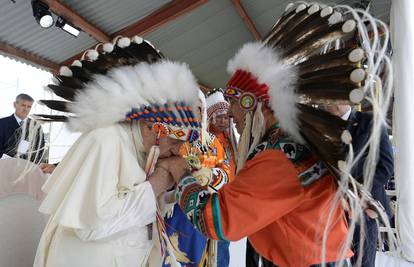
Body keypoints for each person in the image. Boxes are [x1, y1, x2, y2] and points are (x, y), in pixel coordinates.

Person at [157, 2, 392, 266]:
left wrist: (181, 172)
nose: (232, 114)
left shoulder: (281, 155)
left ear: (253, 104)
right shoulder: (292, 141)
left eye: (234, 103)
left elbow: (218, 220)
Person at [33, 35, 205, 267]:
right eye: (175, 142)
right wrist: (159, 180)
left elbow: (138, 201)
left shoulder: (141, 149)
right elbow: (90, 227)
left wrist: (174, 188)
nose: (178, 152)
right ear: (151, 127)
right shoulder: (106, 141)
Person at [324, 104, 394, 267]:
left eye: (333, 98)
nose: (328, 102)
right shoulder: (322, 125)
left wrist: (355, 194)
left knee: (362, 261)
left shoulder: (370, 122)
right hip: (329, 207)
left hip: (362, 208)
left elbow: (385, 167)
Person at [0, 93, 44, 161]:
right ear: (15, 104)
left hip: (28, 167)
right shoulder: (2, 123)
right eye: (23, 105)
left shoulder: (36, 126)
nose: (26, 109)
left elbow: (40, 149)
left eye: (29, 106)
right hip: (5, 166)